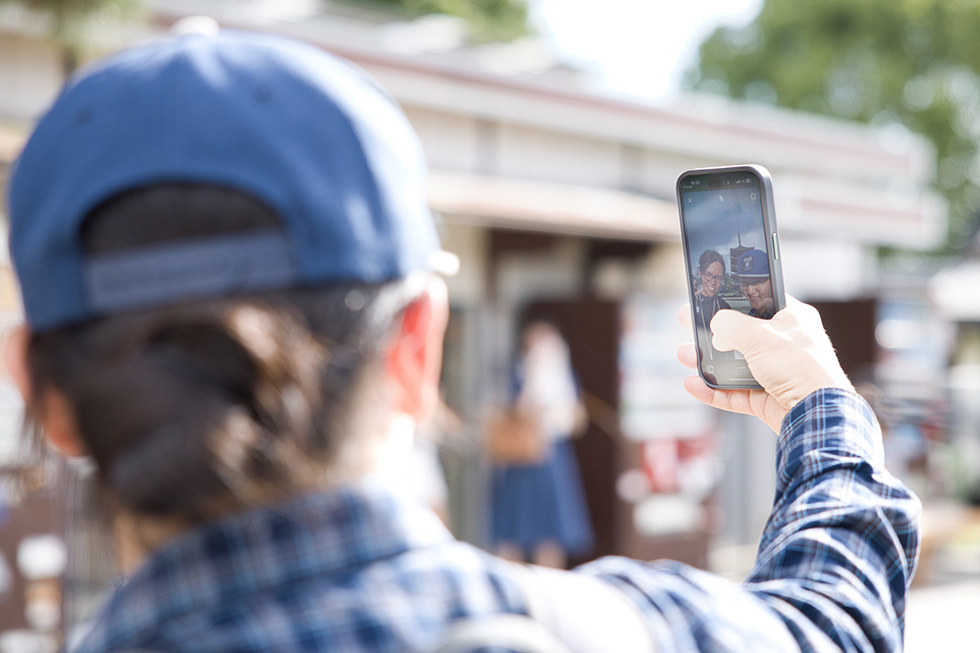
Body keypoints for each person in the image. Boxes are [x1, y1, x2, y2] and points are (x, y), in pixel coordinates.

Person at [2, 28, 919, 652]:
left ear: (38, 388)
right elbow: (834, 615)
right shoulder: (608, 631)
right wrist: (820, 408)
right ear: (417, 345)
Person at [491, 321, 594, 569]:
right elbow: (516, 411)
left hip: (554, 455)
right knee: (513, 528)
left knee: (551, 530)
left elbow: (578, 419)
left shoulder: (564, 375)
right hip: (525, 457)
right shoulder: (518, 372)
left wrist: (562, 414)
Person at [692, 249, 735, 362]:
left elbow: (730, 351)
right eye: (708, 275)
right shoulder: (692, 303)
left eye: (718, 277)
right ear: (699, 272)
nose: (713, 282)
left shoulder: (725, 308)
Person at [737, 248, 776, 319]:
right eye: (745, 283)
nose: (750, 291)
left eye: (757, 282)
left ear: (773, 282)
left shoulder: (781, 317)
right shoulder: (753, 314)